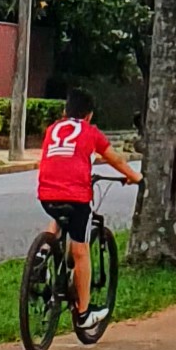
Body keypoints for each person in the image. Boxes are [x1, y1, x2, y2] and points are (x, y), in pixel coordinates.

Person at [35, 90, 139, 323]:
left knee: (60, 214)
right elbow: (115, 159)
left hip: (46, 194)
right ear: (89, 116)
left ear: (65, 111)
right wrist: (135, 176)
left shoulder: (53, 129)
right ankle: (83, 313)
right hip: (76, 197)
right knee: (80, 251)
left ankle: (43, 253)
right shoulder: (90, 132)